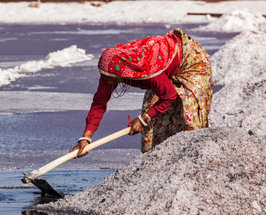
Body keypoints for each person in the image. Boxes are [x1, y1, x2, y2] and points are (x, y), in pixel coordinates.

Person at [74, 28, 213, 157]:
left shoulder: (147, 71)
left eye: (110, 79)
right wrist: (86, 137)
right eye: (104, 76)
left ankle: (192, 158)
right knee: (152, 122)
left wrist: (143, 119)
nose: (106, 82)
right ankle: (155, 160)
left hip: (191, 62)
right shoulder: (110, 71)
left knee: (191, 117)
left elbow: (169, 96)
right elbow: (99, 103)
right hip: (164, 66)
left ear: (121, 74)